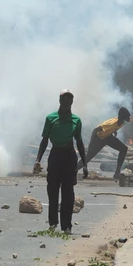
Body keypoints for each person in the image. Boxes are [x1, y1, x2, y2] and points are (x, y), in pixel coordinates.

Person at [34, 90, 88, 233]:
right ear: (60, 101)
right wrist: (37, 160)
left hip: (69, 157)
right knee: (52, 190)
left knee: (68, 192)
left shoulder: (76, 120)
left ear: (72, 102)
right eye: (64, 100)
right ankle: (53, 223)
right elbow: (44, 140)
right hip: (55, 155)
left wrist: (85, 163)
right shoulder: (51, 118)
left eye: (69, 100)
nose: (66, 103)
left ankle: (67, 226)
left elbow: (80, 142)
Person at [82, 106, 131, 180]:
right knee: (88, 157)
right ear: (121, 117)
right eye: (125, 119)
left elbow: (113, 128)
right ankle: (72, 171)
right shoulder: (111, 123)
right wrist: (91, 143)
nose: (125, 121)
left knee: (124, 149)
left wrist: (113, 131)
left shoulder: (120, 122)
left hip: (107, 137)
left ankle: (117, 173)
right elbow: (95, 130)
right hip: (98, 139)